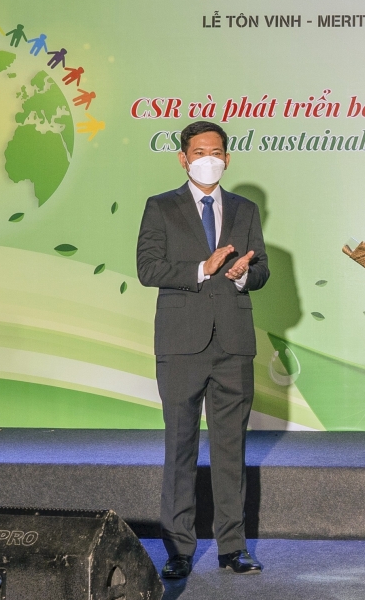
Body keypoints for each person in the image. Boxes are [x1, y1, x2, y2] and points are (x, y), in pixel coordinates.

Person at [137, 120, 269, 578]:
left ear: (227, 158)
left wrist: (244, 275)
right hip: (181, 343)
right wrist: (202, 268)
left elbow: (262, 269)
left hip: (233, 343)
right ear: (183, 158)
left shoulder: (246, 209)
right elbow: (148, 268)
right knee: (180, 447)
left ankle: (234, 548)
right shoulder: (160, 206)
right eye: (199, 152)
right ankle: (178, 550)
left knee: (231, 448)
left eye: (216, 152)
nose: (208, 159)